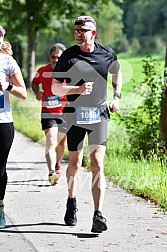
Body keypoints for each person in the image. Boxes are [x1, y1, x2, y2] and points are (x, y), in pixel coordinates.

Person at [51, 16, 122, 233]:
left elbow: (117, 72)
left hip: (99, 113)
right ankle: (72, 202)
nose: (78, 33)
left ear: (93, 32)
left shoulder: (107, 53)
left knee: (98, 163)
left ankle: (98, 214)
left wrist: (117, 96)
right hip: (74, 114)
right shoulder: (68, 56)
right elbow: (55, 87)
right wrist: (76, 90)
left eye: (83, 30)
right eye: (76, 30)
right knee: (74, 163)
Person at [0, 26, 27, 228]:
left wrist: (6, 86)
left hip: (2, 122)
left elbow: (23, 93)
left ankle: (0, 208)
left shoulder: (8, 62)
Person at [31, 43, 67, 186]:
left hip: (65, 112)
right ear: (49, 57)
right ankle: (52, 171)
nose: (55, 60)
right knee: (51, 141)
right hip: (48, 112)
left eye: (58, 58)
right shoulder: (42, 70)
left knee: (62, 143)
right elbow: (34, 83)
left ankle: (57, 164)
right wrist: (37, 92)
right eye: (53, 57)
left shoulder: (68, 71)